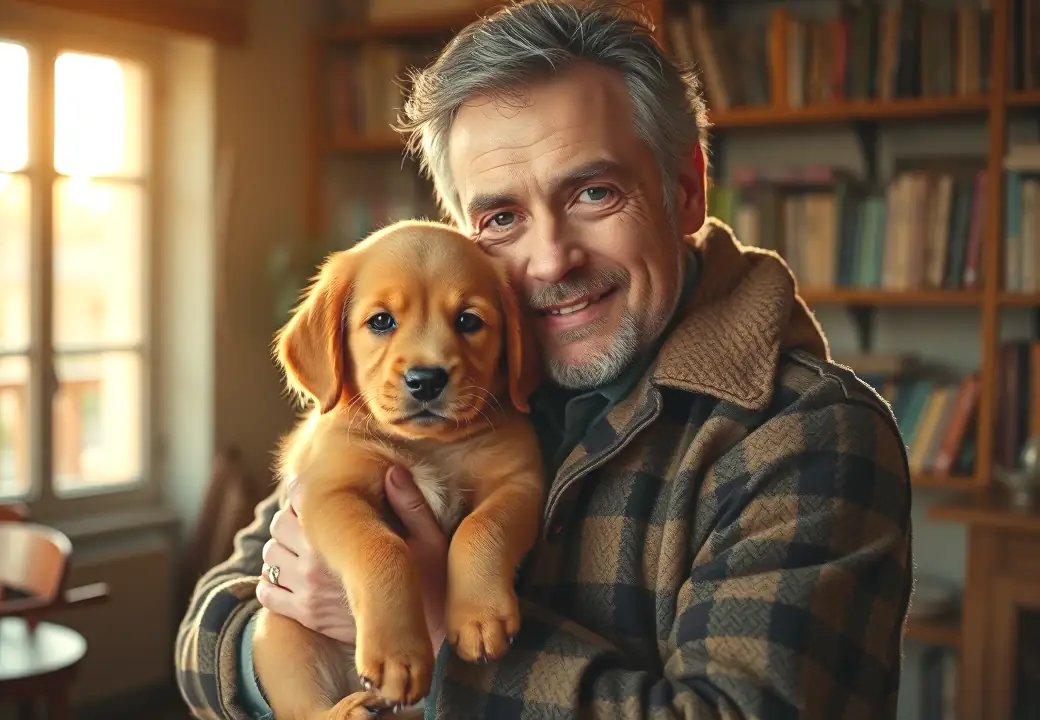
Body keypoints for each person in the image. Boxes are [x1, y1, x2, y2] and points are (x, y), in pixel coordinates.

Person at [176, 1, 913, 718]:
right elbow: (205, 637)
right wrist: (283, 660)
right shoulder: (445, 385)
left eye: (594, 193)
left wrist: (439, 634)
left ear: (684, 190)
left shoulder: (806, 435)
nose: (550, 261)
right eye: (501, 217)